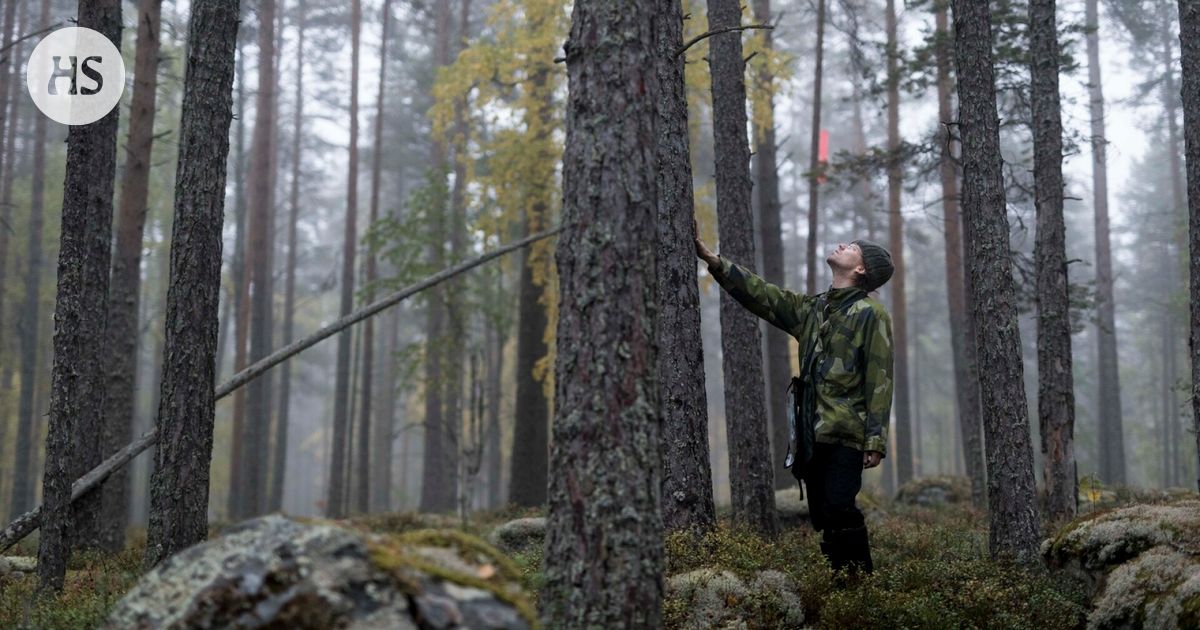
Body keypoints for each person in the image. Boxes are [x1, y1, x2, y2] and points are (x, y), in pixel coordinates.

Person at [694, 224, 895, 579]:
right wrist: (714, 261)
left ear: (861, 268)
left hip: (847, 435)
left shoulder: (871, 314)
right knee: (823, 516)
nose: (842, 244)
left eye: (852, 247)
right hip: (810, 435)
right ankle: (841, 588)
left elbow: (880, 380)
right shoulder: (812, 309)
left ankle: (861, 587)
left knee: (839, 507)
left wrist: (875, 441)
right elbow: (763, 295)